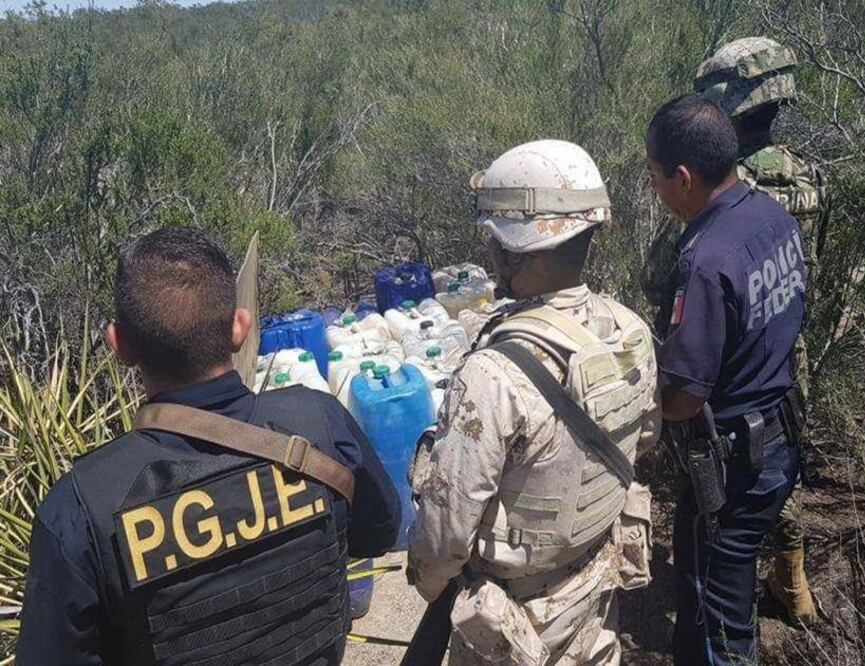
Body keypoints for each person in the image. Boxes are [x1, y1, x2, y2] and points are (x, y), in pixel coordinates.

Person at [15, 227, 401, 665]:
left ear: (119, 345)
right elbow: (380, 531)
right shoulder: (320, 421)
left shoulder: (81, 509)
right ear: (240, 328)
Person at [407, 139, 660, 665]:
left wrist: (427, 582)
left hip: (515, 621)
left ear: (509, 249)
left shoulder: (492, 374)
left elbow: (445, 533)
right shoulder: (630, 330)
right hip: (595, 582)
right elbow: (645, 438)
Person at [642, 36, 826, 625]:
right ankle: (791, 575)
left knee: (720, 524)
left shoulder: (718, 190)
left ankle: (735, 599)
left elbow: (663, 274)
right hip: (785, 348)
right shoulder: (804, 173)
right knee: (780, 470)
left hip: (724, 371)